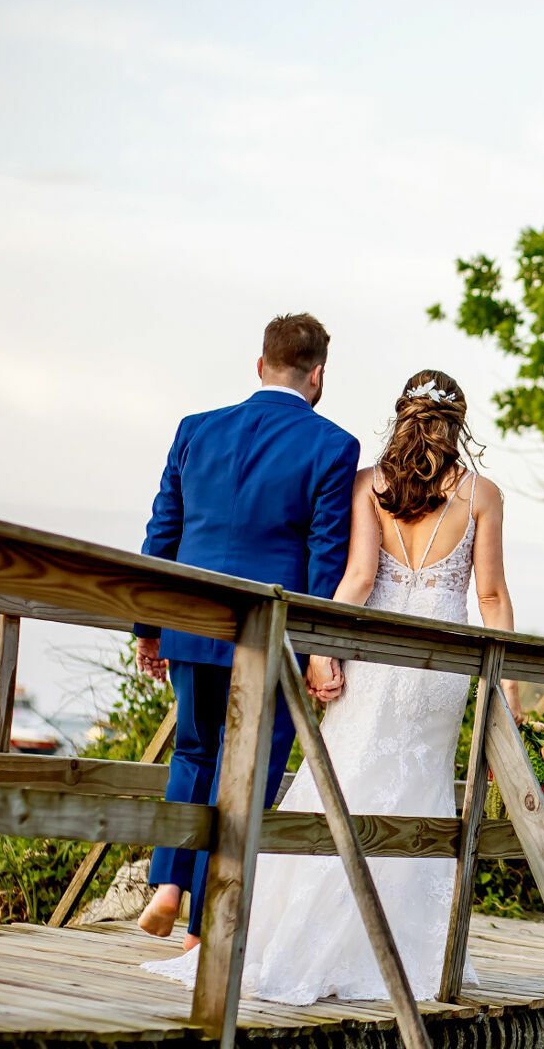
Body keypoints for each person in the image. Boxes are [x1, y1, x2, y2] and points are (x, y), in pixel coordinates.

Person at [142, 368, 521, 1004]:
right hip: (443, 667)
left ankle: (287, 934)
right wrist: (506, 692)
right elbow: (490, 596)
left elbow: (357, 581)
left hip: (374, 656)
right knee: (420, 791)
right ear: (458, 425)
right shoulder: (483, 495)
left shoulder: (370, 484)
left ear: (401, 417)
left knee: (338, 782)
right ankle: (399, 951)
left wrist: (323, 652)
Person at [133, 312, 360, 952]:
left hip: (192, 625)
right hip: (272, 634)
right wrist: (319, 652)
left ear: (260, 366)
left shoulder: (195, 430)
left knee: (194, 753)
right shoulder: (333, 446)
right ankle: (207, 927)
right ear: (318, 376)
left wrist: (148, 625)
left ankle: (168, 887)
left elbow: (162, 538)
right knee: (252, 770)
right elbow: (325, 559)